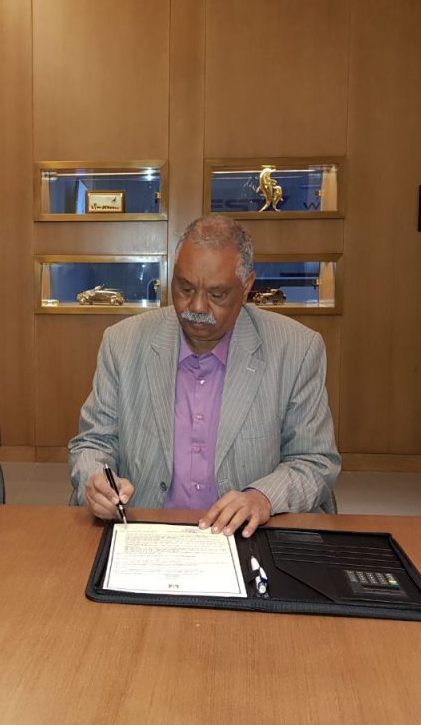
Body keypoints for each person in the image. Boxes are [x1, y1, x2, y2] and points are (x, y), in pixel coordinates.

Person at [69, 215, 340, 538]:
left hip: (247, 535)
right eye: (185, 288)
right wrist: (97, 480)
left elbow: (315, 460)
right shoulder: (123, 343)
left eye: (217, 294)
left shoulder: (296, 349)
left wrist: (263, 497)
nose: (196, 307)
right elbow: (93, 443)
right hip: (145, 530)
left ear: (247, 286)